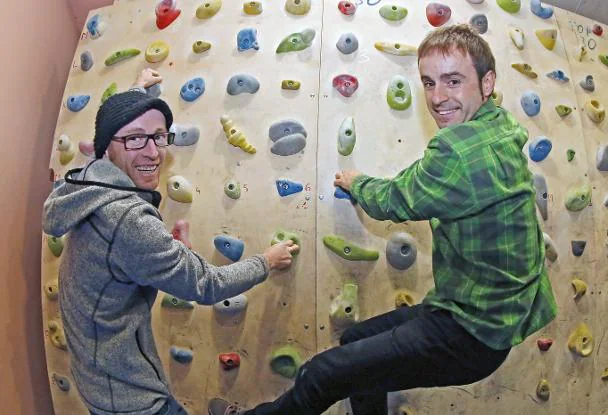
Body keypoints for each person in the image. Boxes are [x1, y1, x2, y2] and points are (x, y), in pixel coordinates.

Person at [208, 24, 557, 415]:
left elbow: (394, 199)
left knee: (322, 373)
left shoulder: (457, 149)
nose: (438, 98)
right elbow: (433, 182)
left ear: (487, 81)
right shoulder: (500, 126)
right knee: (355, 340)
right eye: (428, 82)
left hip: (471, 333)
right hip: (478, 314)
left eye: (453, 81)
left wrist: (356, 182)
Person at [43, 68, 299, 415]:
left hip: (95, 377)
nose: (153, 153)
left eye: (159, 136)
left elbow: (112, 134)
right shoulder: (128, 219)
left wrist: (136, 96)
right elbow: (208, 284)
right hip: (131, 397)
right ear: (108, 148)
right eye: (135, 138)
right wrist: (267, 261)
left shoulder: (89, 181)